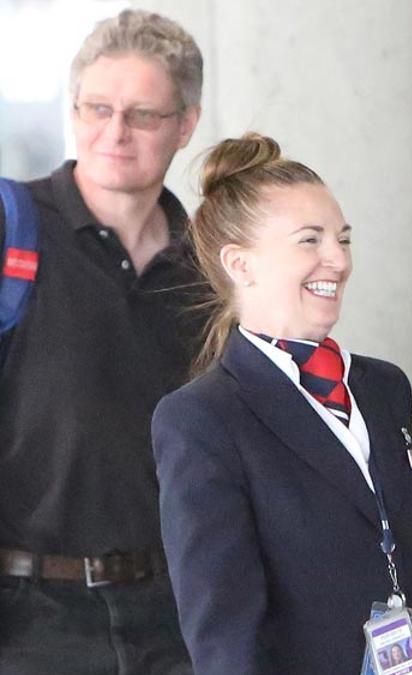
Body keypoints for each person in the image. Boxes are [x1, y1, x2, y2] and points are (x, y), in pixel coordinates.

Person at [152, 133, 412, 674]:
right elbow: (223, 636)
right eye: (309, 241)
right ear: (242, 265)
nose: (337, 260)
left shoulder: (384, 388)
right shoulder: (203, 418)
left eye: (344, 239)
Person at [0, 10, 202, 674]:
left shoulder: (214, 272)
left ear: (185, 124)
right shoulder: (13, 229)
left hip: (179, 619)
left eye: (142, 115)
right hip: (30, 625)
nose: (114, 132)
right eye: (97, 108)